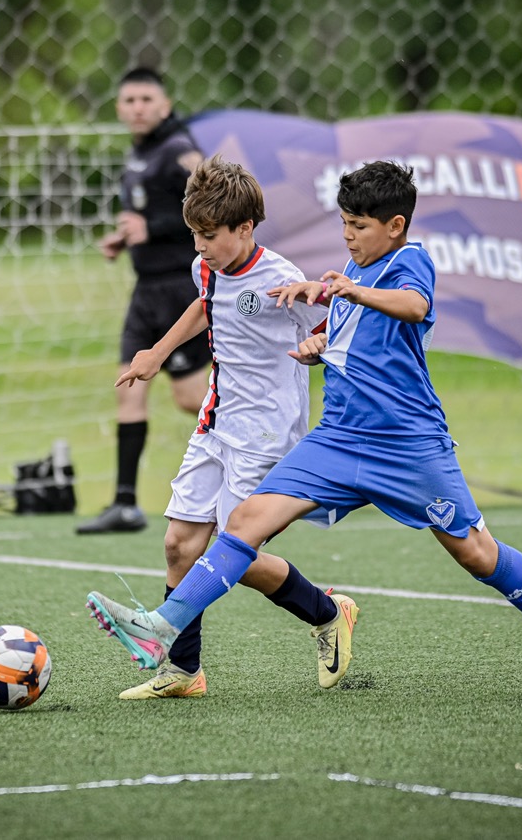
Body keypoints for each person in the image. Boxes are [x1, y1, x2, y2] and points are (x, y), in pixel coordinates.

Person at [89, 161, 522, 698]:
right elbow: (343, 341)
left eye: (358, 225)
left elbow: (415, 306)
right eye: (344, 224)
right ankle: (163, 629)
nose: (348, 235)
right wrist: (318, 346)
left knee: (476, 553)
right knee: (244, 522)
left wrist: (350, 293)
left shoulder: (408, 261)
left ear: (395, 226)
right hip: (337, 437)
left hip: (406, 444)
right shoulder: (347, 273)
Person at [104, 155, 356, 699]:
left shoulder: (282, 278)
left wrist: (317, 346)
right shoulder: (207, 266)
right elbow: (205, 304)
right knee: (179, 544)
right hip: (215, 421)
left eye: (210, 236)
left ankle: (328, 612)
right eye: (194, 234)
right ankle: (183, 671)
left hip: (266, 434)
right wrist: (157, 352)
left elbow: (333, 330)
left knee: (232, 555)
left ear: (245, 228)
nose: (200, 247)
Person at [77, 68, 211, 534]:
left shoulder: (178, 149)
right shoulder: (141, 152)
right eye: (129, 100)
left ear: (165, 104)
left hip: (178, 290)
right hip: (145, 289)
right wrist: (127, 238)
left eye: (146, 99)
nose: (137, 107)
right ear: (118, 107)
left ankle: (268, 456)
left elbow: (215, 203)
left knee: (190, 398)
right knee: (128, 386)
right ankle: (125, 504)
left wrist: (151, 229)